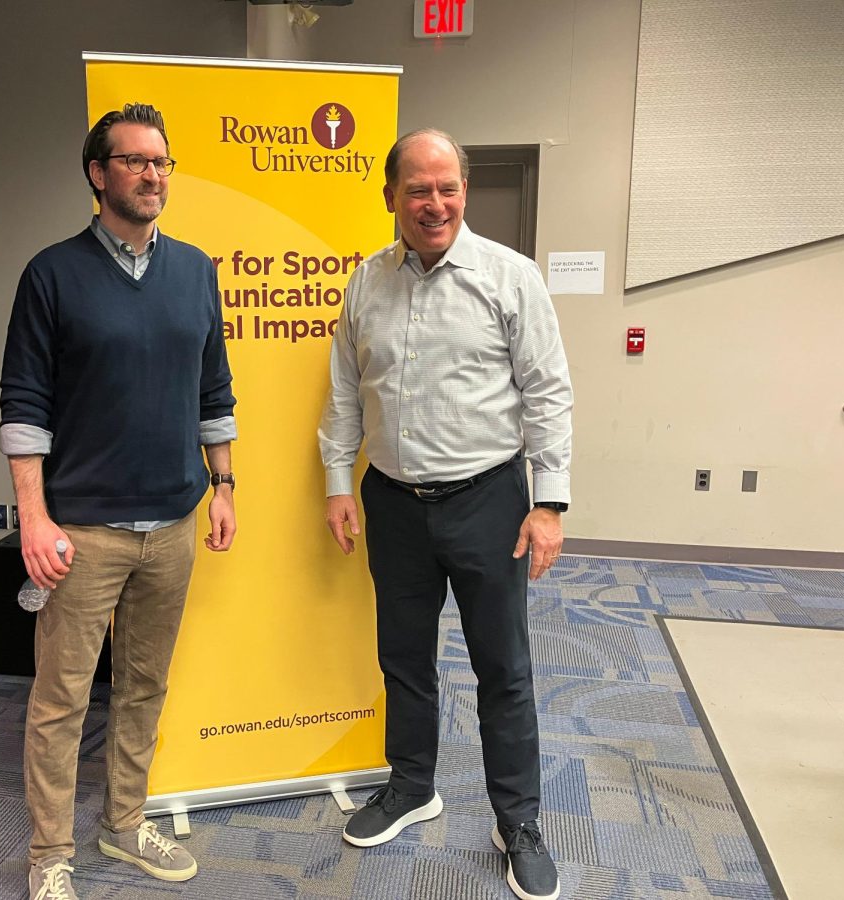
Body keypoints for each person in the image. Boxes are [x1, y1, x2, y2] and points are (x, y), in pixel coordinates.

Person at [318, 129, 572, 900]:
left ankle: (517, 819)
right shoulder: (366, 282)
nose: (435, 203)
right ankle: (412, 784)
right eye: (419, 189)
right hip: (392, 502)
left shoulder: (510, 277)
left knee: (504, 668)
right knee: (404, 658)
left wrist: (549, 503)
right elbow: (342, 391)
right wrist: (337, 480)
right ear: (390, 195)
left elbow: (548, 392)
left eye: (449, 187)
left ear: (466, 191)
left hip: (489, 501)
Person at [0, 102, 237, 900]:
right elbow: (24, 405)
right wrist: (32, 516)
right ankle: (49, 856)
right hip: (82, 530)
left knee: (144, 687)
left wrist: (224, 483)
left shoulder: (196, 269)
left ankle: (124, 822)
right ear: (98, 175)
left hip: (172, 525)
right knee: (61, 701)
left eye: (162, 162)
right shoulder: (52, 274)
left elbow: (215, 389)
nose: (153, 175)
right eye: (135, 161)